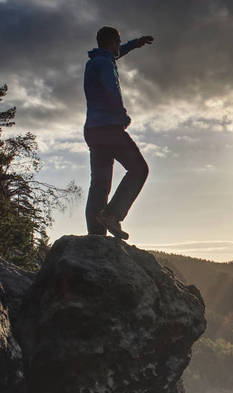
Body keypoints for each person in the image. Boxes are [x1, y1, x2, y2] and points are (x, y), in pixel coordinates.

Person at [83, 26, 154, 240]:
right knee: (139, 169)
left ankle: (96, 235)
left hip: (93, 131)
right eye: (118, 43)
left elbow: (117, 53)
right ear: (112, 42)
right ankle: (113, 215)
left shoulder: (96, 61)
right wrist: (121, 115)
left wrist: (136, 43)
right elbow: (110, 89)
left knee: (100, 183)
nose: (118, 48)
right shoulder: (105, 64)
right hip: (110, 128)